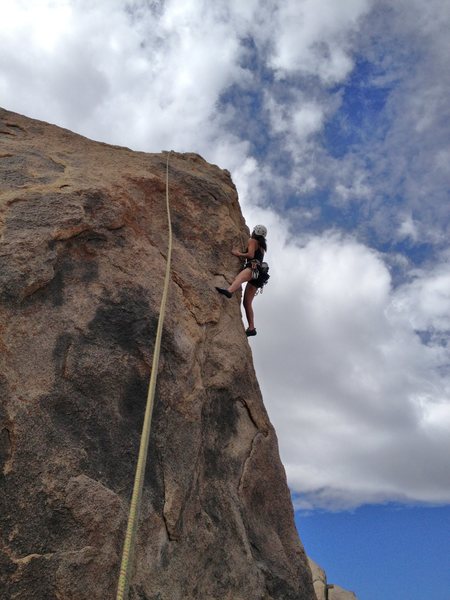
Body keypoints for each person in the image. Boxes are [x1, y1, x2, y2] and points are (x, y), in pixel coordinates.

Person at [215, 224, 268, 337]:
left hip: (252, 268)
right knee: (247, 302)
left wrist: (238, 253)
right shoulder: (262, 247)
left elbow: (250, 254)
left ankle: (229, 291)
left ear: (255, 232)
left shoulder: (252, 240)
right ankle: (251, 327)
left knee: (238, 278)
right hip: (259, 274)